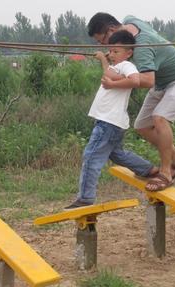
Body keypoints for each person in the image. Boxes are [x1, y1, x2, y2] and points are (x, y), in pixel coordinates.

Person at [87, 13, 175, 192]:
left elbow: (148, 81)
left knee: (159, 118)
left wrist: (116, 80)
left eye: (103, 41)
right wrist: (116, 54)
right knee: (142, 125)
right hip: (164, 83)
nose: (104, 46)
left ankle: (165, 173)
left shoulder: (140, 48)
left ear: (111, 31)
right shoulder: (130, 22)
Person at [65, 31, 160, 209]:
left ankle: (85, 198)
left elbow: (135, 80)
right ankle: (149, 170)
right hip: (111, 122)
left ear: (128, 53)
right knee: (117, 154)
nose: (112, 54)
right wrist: (104, 61)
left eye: (116, 51)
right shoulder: (118, 67)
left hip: (108, 122)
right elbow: (109, 72)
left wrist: (111, 82)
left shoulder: (127, 66)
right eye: (110, 51)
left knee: (91, 157)